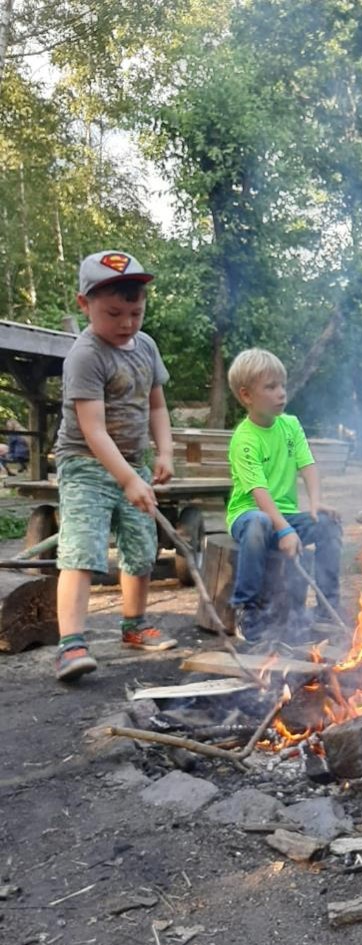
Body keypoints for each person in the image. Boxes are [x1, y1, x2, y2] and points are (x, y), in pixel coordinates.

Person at [52, 250, 177, 683]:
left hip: (133, 463)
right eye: (113, 313)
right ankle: (71, 645)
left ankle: (135, 625)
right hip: (86, 464)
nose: (126, 323)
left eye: (135, 312)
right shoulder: (85, 356)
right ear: (84, 304)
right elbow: (93, 430)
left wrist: (164, 453)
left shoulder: (146, 347)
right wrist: (126, 478)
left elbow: (157, 406)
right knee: (82, 551)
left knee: (142, 546)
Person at [226, 348, 342, 644]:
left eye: (282, 385)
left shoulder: (290, 425)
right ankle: (246, 608)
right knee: (258, 524)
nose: (281, 393)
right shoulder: (245, 438)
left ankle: (327, 607)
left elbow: (308, 465)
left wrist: (315, 503)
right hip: (248, 513)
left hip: (286, 514)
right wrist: (285, 529)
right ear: (247, 396)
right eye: (270, 387)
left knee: (329, 525)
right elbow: (259, 493)